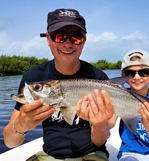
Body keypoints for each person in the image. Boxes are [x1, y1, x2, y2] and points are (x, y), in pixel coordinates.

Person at [2, 8, 113, 160]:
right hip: (49, 155)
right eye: (59, 36)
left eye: (76, 37)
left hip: (91, 153)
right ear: (48, 39)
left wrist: (99, 124)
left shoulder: (98, 79)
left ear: (84, 41)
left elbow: (101, 140)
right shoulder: (33, 77)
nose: (67, 44)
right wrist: (21, 125)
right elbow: (10, 142)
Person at [106, 50, 149, 160]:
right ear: (123, 76)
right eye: (130, 73)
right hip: (129, 152)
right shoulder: (117, 95)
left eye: (144, 72)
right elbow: (109, 124)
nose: (137, 77)